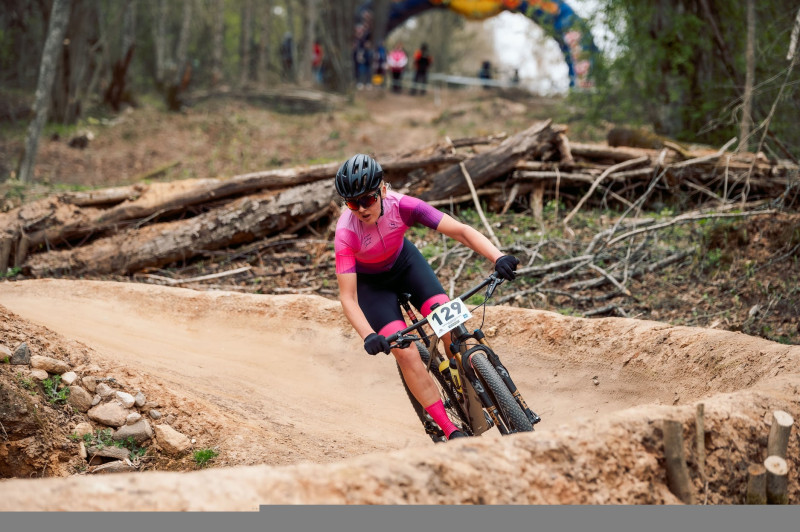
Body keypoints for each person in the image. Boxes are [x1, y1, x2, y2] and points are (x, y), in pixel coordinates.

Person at [333, 154, 520, 442]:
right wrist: (368, 335)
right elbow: (348, 297)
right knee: (406, 352)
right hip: (373, 287)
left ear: (382, 190)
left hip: (406, 266)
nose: (360, 209)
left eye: (367, 199)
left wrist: (498, 257)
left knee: (449, 322)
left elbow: (461, 231)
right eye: (351, 202)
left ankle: (466, 374)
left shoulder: (403, 206)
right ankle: (450, 430)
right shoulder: (346, 232)